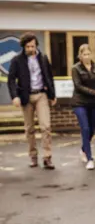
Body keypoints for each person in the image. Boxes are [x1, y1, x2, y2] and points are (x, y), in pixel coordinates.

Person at [7, 32, 56, 169]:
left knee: (46, 126)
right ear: (24, 47)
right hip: (26, 97)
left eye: (32, 46)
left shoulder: (43, 58)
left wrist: (52, 95)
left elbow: (49, 77)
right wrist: (14, 96)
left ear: (36, 45)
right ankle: (33, 156)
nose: (30, 49)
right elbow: (11, 79)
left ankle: (47, 157)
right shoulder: (17, 60)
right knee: (29, 129)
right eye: (28, 46)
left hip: (41, 95)